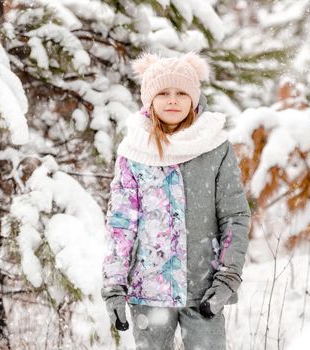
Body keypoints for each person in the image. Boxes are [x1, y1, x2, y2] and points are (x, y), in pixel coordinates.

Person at [101, 52, 250, 350]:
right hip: (148, 292)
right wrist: (114, 284)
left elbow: (234, 216)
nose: (173, 100)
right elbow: (121, 224)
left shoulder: (214, 146)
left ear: (193, 98)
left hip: (204, 290)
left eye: (181, 92)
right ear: (149, 99)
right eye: (163, 93)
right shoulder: (134, 150)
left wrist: (228, 277)